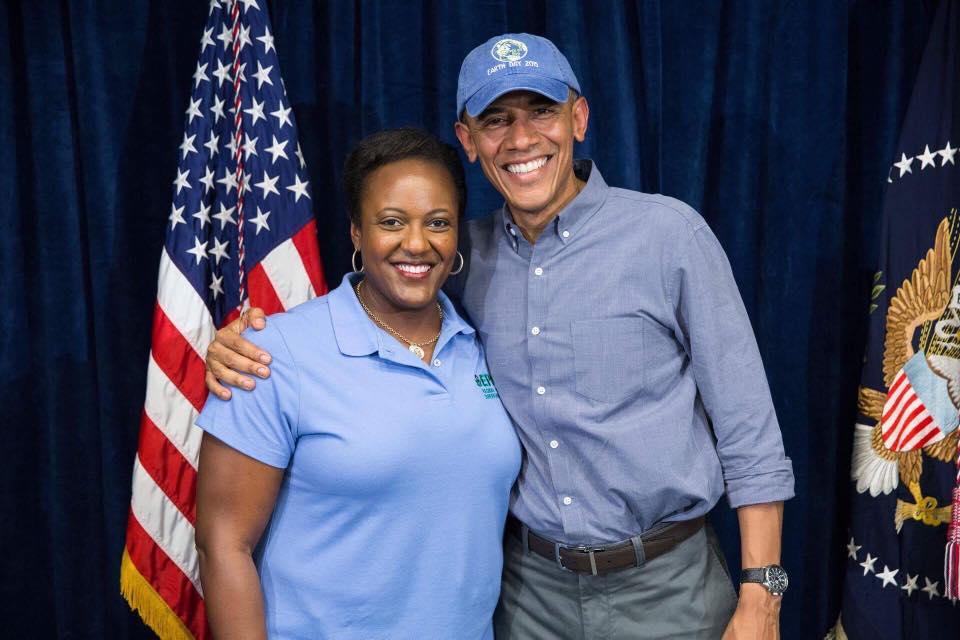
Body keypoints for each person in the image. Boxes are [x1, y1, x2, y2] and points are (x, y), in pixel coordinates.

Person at [205, 34, 794, 639]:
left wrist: (762, 594)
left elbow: (750, 432)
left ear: (580, 118)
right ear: (468, 141)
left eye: (541, 111)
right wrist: (241, 342)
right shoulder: (461, 260)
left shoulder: (670, 237)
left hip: (668, 588)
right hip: (528, 597)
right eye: (496, 120)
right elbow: (373, 308)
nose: (520, 139)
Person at [194, 128, 521, 639]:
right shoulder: (273, 354)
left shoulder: (481, 340)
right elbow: (223, 542)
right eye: (391, 222)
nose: (416, 243)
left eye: (438, 223)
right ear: (355, 232)